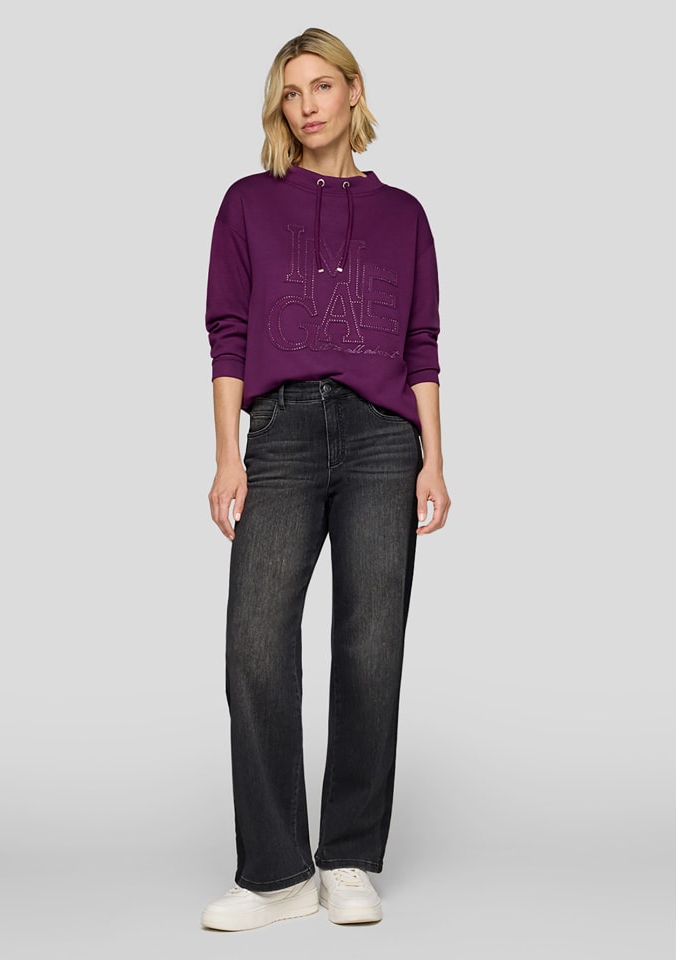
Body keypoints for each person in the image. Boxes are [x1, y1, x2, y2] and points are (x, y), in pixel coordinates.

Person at [200, 27, 451, 932]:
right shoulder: (248, 203)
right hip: (282, 435)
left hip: (385, 440)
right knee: (256, 644)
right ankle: (276, 875)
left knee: (370, 645)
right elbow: (228, 332)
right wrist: (228, 453)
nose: (306, 106)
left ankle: (348, 859)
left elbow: (421, 345)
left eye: (321, 86)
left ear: (352, 91)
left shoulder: (405, 215)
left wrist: (434, 457)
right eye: (291, 91)